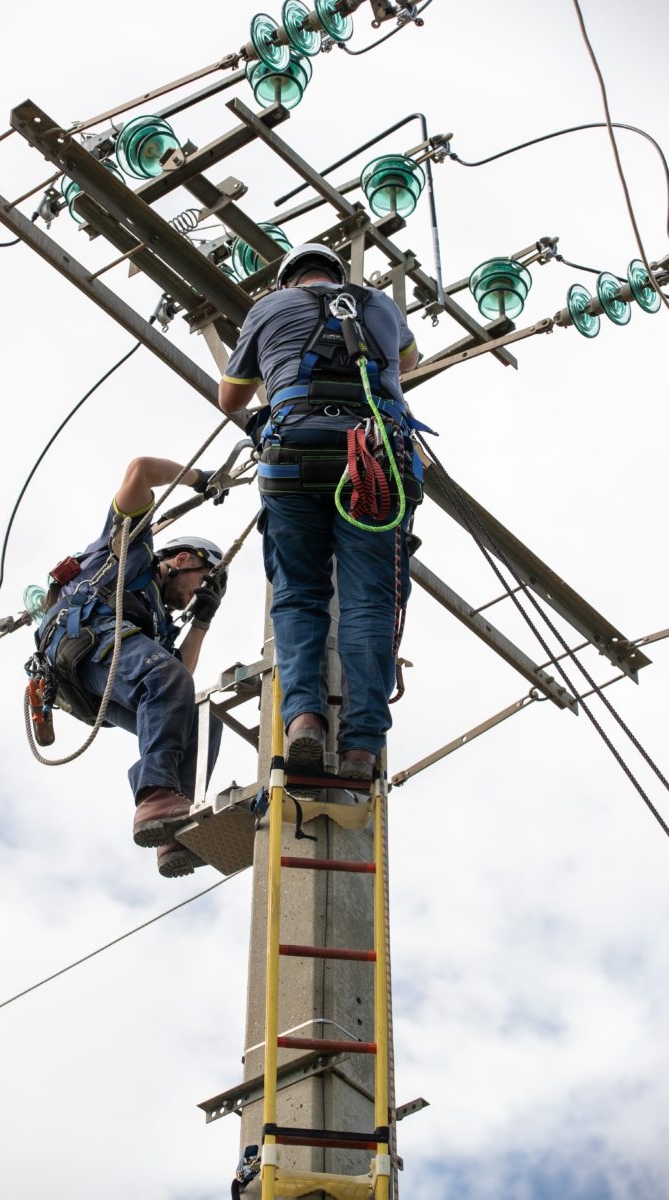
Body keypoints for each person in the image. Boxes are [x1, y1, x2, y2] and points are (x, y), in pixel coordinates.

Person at [218, 242, 422, 780]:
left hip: (292, 459)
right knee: (369, 604)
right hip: (373, 463)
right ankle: (361, 746)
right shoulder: (379, 304)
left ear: (290, 280)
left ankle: (305, 719)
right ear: (337, 273)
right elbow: (407, 362)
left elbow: (231, 399)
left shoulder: (269, 306)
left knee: (299, 595)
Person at [34, 455, 227, 878]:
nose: (197, 594)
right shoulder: (130, 552)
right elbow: (140, 469)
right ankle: (156, 795)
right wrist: (200, 479)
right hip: (83, 642)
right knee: (165, 678)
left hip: (95, 679)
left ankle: (173, 830)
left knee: (201, 719)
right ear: (181, 560)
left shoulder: (157, 620)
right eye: (201, 581)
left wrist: (203, 621)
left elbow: (179, 685)